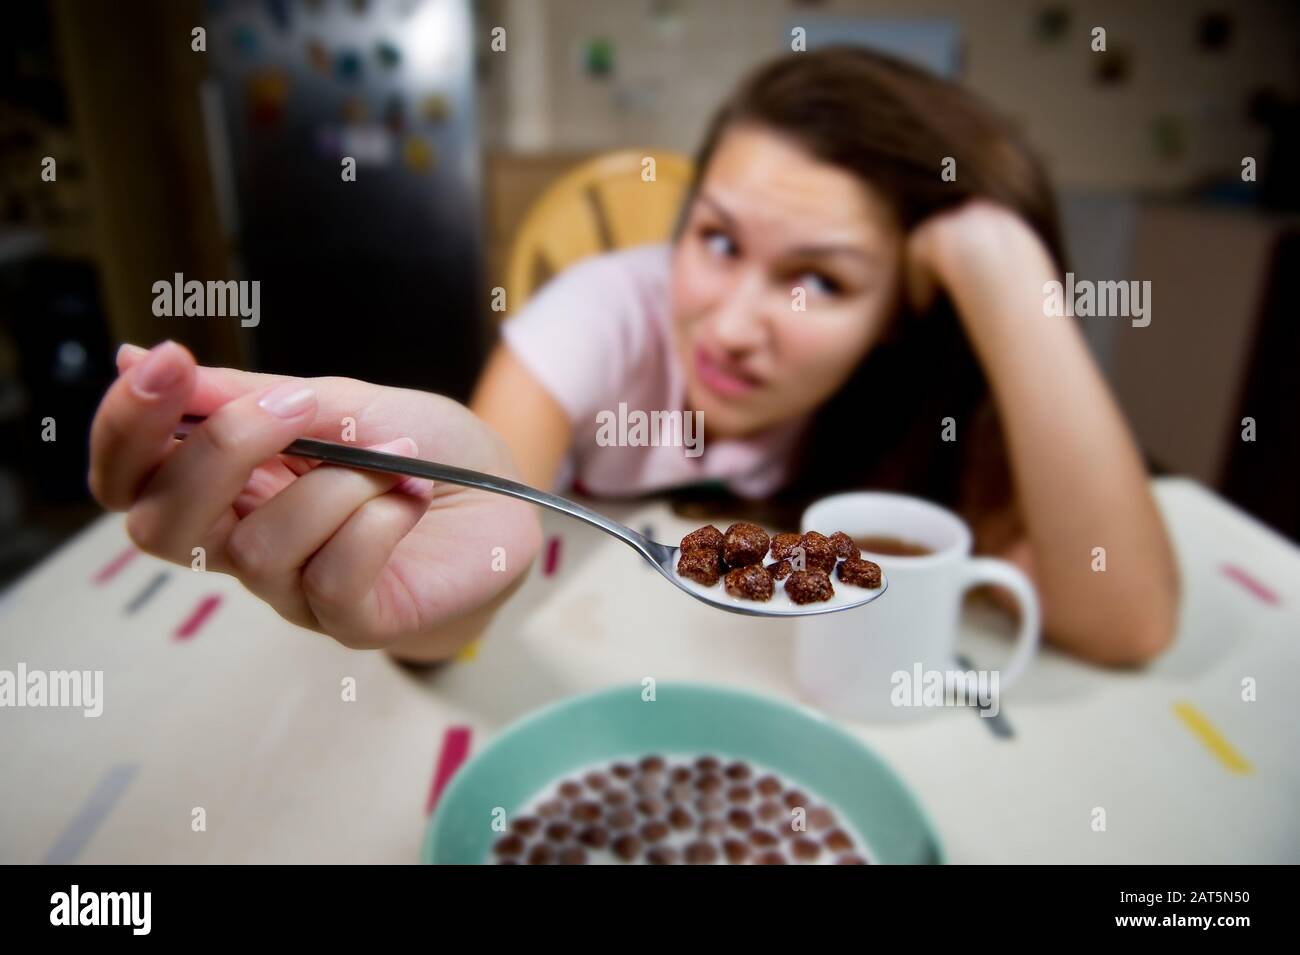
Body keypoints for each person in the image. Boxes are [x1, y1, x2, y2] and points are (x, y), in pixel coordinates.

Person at [97, 47, 1177, 665]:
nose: (731, 320)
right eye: (715, 239)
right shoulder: (600, 316)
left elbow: (1121, 618)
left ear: (903, 313)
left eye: (821, 280)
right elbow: (468, 557)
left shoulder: (917, 406)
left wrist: (1010, 282)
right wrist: (447, 561)